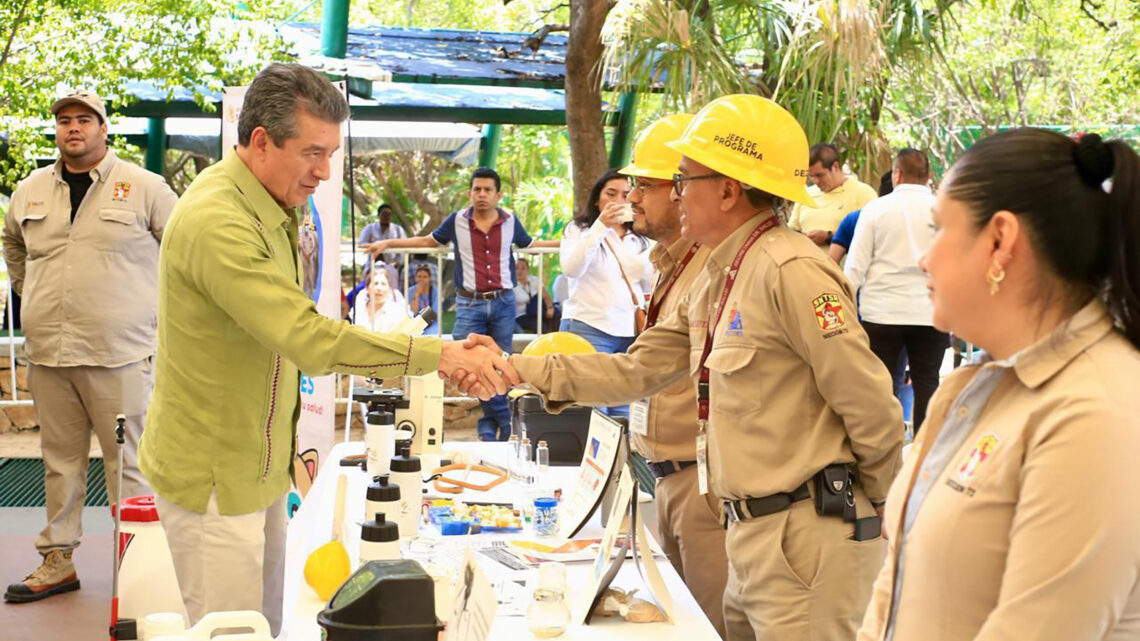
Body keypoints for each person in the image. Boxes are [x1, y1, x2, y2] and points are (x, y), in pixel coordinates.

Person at [493, 95, 902, 641]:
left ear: (729, 190)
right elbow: (638, 371)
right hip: (749, 533)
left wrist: (872, 505)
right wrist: (513, 368)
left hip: (806, 538)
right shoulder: (721, 274)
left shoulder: (792, 270)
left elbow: (870, 404)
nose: (675, 193)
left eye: (683, 179)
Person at [136, 63, 515, 632]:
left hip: (257, 467)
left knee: (268, 622)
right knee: (231, 630)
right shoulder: (219, 219)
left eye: (332, 154)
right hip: (215, 476)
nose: (323, 172)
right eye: (313, 152)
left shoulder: (269, 206)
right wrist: (442, 356)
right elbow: (306, 337)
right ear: (261, 142)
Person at [859, 130, 1140, 639]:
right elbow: (893, 593)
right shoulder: (976, 384)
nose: (924, 257)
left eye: (938, 229)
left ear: (1000, 241)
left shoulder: (1096, 413)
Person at [3, 90, 177, 603]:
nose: (72, 128)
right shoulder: (30, 190)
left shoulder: (144, 187)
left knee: (128, 463)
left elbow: (186, 247)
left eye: (84, 120)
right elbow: (14, 245)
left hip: (118, 354)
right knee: (59, 460)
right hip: (49, 354)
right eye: (63, 121)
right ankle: (57, 561)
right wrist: (29, 292)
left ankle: (139, 565)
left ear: (104, 129)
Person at [620, 113, 729, 636]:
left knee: (708, 629)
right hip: (666, 480)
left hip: (703, 488)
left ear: (685, 190)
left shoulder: (719, 269)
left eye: (647, 184)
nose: (632, 195)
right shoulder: (670, 264)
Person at [368, 167, 557, 441]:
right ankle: (503, 421)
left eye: (487, 190)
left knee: (501, 363)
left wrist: (571, 243)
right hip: (469, 303)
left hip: (503, 302)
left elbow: (530, 244)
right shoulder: (457, 221)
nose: (482, 195)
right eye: (477, 189)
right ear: (470, 193)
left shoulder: (510, 222)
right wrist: (387, 243)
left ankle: (489, 425)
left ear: (498, 195)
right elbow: (427, 241)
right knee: (468, 362)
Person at [845, 148, 947, 433]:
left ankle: (885, 447)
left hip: (881, 313)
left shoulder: (876, 209)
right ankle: (924, 450)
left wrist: (845, 308)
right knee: (928, 382)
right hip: (930, 312)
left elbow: (855, 266)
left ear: (897, 174)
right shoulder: (944, 209)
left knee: (881, 385)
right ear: (928, 177)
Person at [559, 169, 653, 418]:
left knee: (624, 406)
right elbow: (572, 268)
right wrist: (601, 227)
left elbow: (650, 278)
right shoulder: (580, 230)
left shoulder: (641, 237)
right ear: (596, 199)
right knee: (593, 407)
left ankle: (621, 457)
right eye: (611, 194)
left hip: (629, 331)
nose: (619, 201)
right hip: (590, 326)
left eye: (625, 194)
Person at [789, 143, 879, 247]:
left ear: (835, 167)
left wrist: (829, 237)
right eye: (811, 176)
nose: (815, 181)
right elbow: (792, 230)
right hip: (806, 262)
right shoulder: (806, 194)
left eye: (820, 175)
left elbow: (873, 234)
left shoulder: (863, 193)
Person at [353, 267, 411, 333]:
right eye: (376, 283)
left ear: (389, 289)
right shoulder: (359, 308)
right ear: (367, 288)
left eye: (383, 284)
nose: (379, 288)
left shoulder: (397, 312)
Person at [358, 202, 407, 274]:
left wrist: (398, 263)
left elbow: (404, 246)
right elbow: (361, 244)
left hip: (393, 267)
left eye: (389, 214)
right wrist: (375, 246)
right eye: (384, 214)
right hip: (372, 266)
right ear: (379, 215)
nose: (386, 217)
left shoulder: (398, 229)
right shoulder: (370, 228)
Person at [513, 258, 556, 333]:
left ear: (528, 270)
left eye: (523, 268)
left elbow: (546, 295)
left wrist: (550, 308)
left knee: (556, 317)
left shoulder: (535, 280)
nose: (519, 271)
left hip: (538, 311)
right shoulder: (511, 285)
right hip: (522, 315)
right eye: (516, 268)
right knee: (541, 327)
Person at [409, 264, 440, 334]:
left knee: (431, 333)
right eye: (419, 277)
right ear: (415, 278)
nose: (421, 279)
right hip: (415, 323)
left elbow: (434, 314)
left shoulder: (436, 292)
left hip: (432, 324)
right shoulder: (410, 291)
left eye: (425, 277)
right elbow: (412, 312)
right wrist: (416, 294)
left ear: (430, 278)